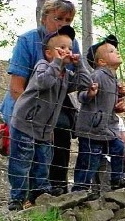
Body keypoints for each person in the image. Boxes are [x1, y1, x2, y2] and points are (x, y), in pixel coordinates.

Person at [0, 0, 81, 195]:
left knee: (61, 126)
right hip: (25, 102)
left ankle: (56, 188)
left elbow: (72, 83)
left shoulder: (72, 43)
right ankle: (22, 195)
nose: (62, 24)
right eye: (58, 18)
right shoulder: (27, 41)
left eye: (68, 21)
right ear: (44, 18)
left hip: (53, 102)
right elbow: (17, 87)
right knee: (27, 146)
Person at [7, 26, 91, 211]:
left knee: (42, 162)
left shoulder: (66, 76)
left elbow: (84, 83)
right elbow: (44, 81)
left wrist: (79, 65)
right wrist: (56, 64)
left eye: (70, 49)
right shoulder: (42, 66)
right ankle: (17, 198)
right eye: (61, 48)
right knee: (22, 162)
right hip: (25, 122)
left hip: (45, 128)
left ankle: (40, 194)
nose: (67, 52)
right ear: (48, 53)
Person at [71, 36, 124, 194]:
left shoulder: (114, 79)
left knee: (119, 147)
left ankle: (117, 178)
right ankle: (79, 189)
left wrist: (118, 103)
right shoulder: (97, 75)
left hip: (107, 129)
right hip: (91, 129)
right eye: (112, 51)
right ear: (101, 61)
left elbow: (107, 103)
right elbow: (80, 95)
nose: (117, 52)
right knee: (89, 160)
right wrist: (89, 94)